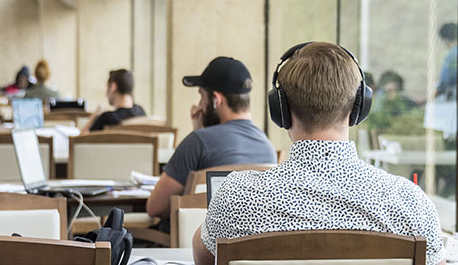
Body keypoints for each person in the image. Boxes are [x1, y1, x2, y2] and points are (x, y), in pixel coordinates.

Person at [192, 42, 444, 265]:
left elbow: (204, 258)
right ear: (359, 107)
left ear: (280, 110)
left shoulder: (236, 197)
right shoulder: (410, 203)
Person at [146, 57, 276, 225]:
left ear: (217, 100)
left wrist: (198, 134)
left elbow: (155, 207)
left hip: (190, 246)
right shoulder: (268, 148)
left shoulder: (198, 142)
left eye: (201, 96)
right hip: (244, 247)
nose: (199, 104)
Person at [81, 69, 145, 133]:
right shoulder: (141, 113)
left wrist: (93, 119)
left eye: (107, 87)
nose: (106, 94)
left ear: (113, 86)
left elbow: (80, 140)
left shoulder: (107, 118)